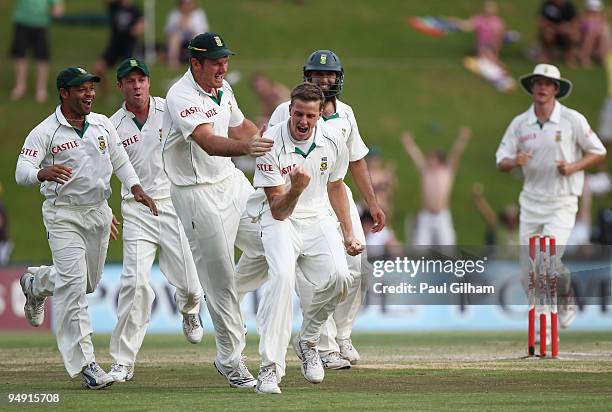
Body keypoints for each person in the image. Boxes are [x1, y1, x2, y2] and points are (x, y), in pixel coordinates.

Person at [15, 66, 157, 389]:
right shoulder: (45, 131)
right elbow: (21, 170)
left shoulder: (102, 124)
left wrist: (135, 188)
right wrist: (42, 173)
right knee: (75, 288)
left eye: (91, 88)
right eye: (81, 89)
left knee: (88, 283)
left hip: (98, 214)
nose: (90, 93)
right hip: (63, 216)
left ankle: (36, 283)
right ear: (64, 93)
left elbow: (120, 160)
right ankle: (87, 365)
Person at [162, 32, 272, 389]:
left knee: (273, 241)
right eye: (215, 61)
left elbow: (243, 127)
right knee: (219, 277)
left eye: (225, 60)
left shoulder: (223, 89)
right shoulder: (181, 95)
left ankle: (229, 298)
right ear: (195, 63)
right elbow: (208, 142)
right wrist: (248, 148)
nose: (223, 67)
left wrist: (270, 147)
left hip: (230, 183)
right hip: (196, 194)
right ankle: (229, 360)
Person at [265, 50, 386, 369]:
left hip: (334, 191)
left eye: (329, 74)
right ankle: (323, 345)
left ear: (338, 77)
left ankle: (343, 334)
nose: (324, 79)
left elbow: (357, 161)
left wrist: (372, 204)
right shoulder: (285, 111)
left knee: (356, 269)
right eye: (318, 75)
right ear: (307, 77)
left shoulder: (346, 113)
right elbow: (271, 149)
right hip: (298, 196)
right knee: (311, 276)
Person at [245, 82, 361, 394]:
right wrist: (295, 188)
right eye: (298, 114)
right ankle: (269, 369)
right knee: (282, 278)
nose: (303, 122)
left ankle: (308, 340)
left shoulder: (335, 138)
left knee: (341, 277)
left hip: (318, 217)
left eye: (310, 115)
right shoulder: (270, 142)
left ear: (320, 114)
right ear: (290, 110)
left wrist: (348, 232)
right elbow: (278, 210)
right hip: (279, 218)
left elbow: (335, 186)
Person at [107, 58, 205, 382]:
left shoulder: (169, 110)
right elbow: (100, 175)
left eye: (141, 80)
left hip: (172, 203)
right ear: (120, 86)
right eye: (129, 81)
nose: (136, 86)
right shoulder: (112, 126)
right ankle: (122, 360)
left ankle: (190, 311)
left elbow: (199, 137)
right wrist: (106, 212)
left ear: (149, 83)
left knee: (191, 286)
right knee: (134, 283)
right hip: (135, 209)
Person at [495, 63, 606, 330]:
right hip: (531, 203)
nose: (542, 87)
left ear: (556, 89)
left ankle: (565, 299)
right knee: (528, 275)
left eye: (547, 83)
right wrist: (514, 161)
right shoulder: (520, 123)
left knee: (548, 261)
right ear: (532, 87)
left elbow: (598, 151)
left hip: (562, 201)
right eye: (538, 82)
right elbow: (500, 160)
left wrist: (573, 167)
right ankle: (545, 321)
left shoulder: (571, 119)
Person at [402, 127, 471, 246]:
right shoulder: (425, 171)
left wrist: (462, 138)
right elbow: (416, 156)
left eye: (432, 158)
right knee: (420, 247)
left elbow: (456, 153)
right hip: (426, 215)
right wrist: (408, 143)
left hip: (442, 215)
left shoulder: (447, 171)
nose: (429, 159)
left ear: (439, 160)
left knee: (448, 246)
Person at [9, 0, 64, 103]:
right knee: (20, 55)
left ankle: (41, 89)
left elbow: (57, 4)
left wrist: (57, 6)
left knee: (42, 57)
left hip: (41, 23)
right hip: (22, 21)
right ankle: (20, 86)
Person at [93, 0, 145, 83]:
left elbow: (143, 22)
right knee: (98, 68)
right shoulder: (115, 6)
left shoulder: (135, 10)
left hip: (129, 47)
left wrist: (139, 27)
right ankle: (104, 90)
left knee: (129, 74)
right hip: (114, 45)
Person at [451, 1, 506, 66]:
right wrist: (456, 22)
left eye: (491, 7)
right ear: (484, 9)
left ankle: (493, 59)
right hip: (481, 45)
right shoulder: (479, 19)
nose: (489, 10)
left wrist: (495, 44)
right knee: (484, 57)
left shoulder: (498, 21)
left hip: (493, 46)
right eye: (487, 7)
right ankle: (487, 59)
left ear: (496, 10)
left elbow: (500, 35)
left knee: (490, 55)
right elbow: (467, 26)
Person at [165, 0, 208, 68]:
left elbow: (202, 30)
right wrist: (178, 25)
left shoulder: (198, 14)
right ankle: (173, 61)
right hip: (180, 37)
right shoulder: (175, 14)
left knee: (196, 38)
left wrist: (189, 26)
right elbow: (168, 30)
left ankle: (198, 61)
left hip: (193, 35)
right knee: (175, 38)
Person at [538, 0, 580, 65]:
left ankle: (569, 56)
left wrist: (567, 27)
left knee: (574, 36)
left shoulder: (569, 6)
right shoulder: (547, 5)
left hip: (565, 33)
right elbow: (541, 23)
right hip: (553, 31)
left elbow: (576, 23)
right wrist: (557, 27)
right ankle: (546, 55)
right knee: (548, 33)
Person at [578, 0, 610, 68]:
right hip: (585, 37)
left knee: (604, 31)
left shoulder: (601, 18)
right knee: (592, 32)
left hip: (598, 39)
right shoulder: (584, 17)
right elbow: (581, 29)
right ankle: (584, 57)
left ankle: (604, 57)